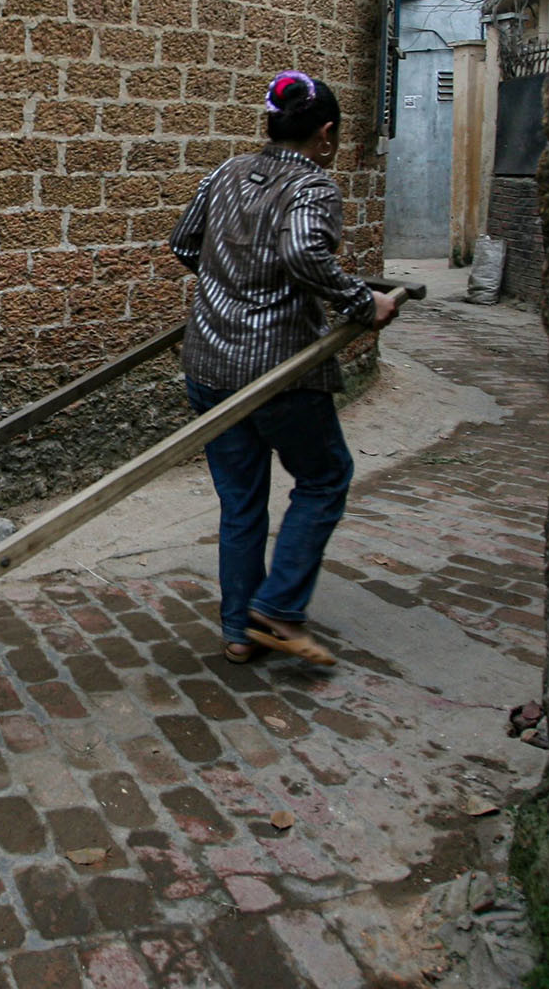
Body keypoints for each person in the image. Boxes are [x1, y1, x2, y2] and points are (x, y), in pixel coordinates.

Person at [169, 70, 397, 667]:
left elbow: (185, 245)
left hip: (209, 364)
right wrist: (362, 303)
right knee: (325, 478)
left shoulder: (226, 173)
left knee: (241, 500)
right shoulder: (313, 187)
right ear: (325, 134)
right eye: (335, 137)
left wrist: (232, 288)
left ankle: (241, 631)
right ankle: (276, 610)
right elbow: (302, 252)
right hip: (276, 373)